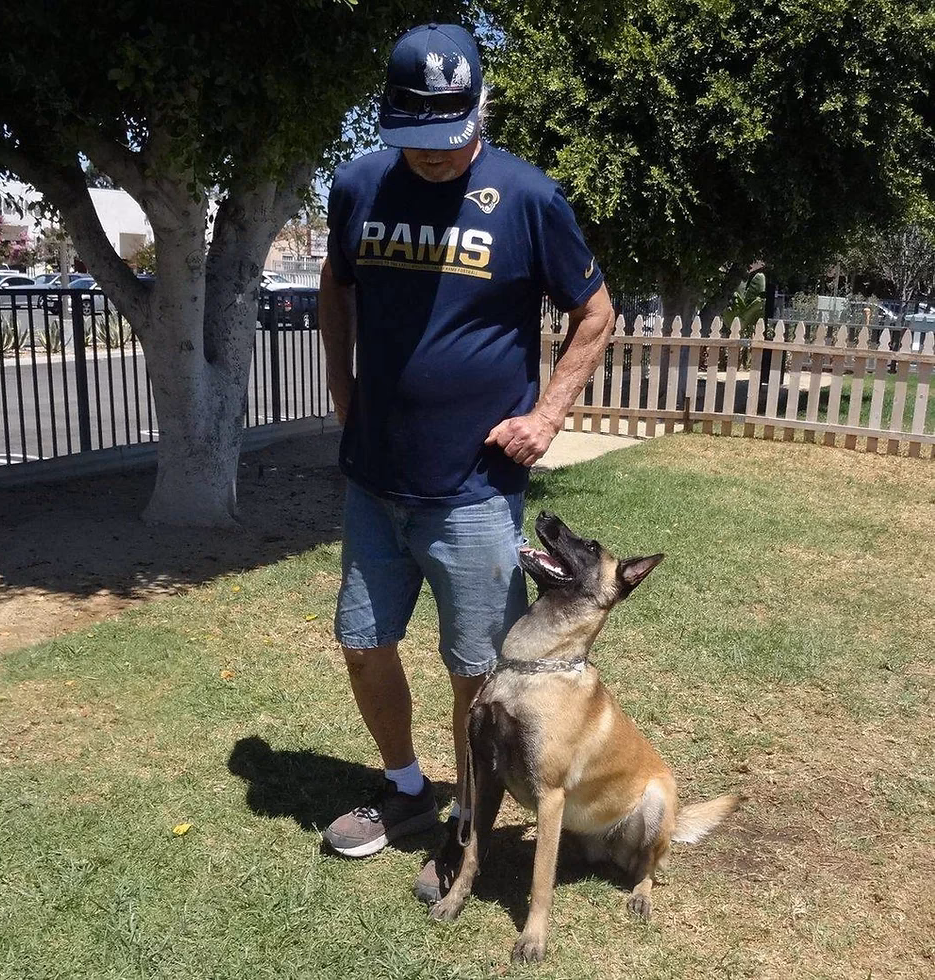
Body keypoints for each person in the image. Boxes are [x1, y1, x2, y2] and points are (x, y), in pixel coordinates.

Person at [318, 23, 614, 903]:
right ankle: (407, 786)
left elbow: (596, 313)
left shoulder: (528, 197)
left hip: (475, 489)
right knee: (361, 642)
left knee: (476, 671)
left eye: (450, 135)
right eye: (417, 136)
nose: (435, 153)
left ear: (480, 109)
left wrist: (547, 414)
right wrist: (343, 391)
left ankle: (466, 820)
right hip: (375, 477)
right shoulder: (359, 185)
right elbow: (337, 285)